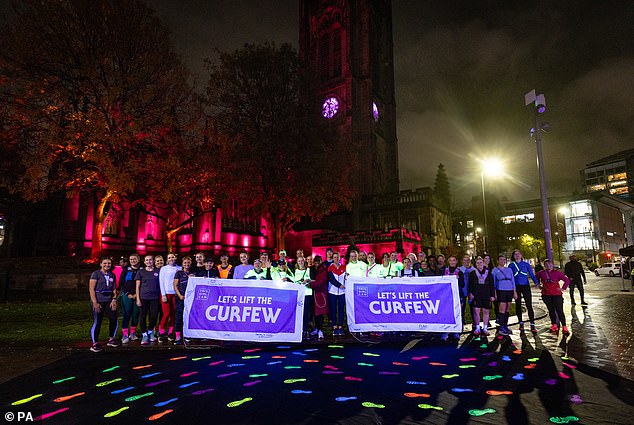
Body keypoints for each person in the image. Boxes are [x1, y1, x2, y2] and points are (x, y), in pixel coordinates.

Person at [88, 257, 119, 352]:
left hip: (109, 300)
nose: (107, 265)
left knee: (114, 319)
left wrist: (114, 299)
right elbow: (91, 289)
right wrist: (95, 302)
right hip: (98, 300)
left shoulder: (112, 275)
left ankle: (111, 339)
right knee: (98, 321)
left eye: (109, 263)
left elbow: (114, 289)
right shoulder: (96, 274)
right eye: (105, 263)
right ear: (101, 264)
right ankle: (95, 343)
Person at [536, 259, 571, 334]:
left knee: (560, 311)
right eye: (546, 264)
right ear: (544, 265)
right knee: (551, 310)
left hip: (557, 295)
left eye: (549, 264)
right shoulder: (541, 273)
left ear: (552, 265)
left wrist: (563, 288)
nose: (548, 265)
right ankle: (554, 325)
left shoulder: (557, 273)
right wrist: (538, 285)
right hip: (546, 295)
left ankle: (564, 326)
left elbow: (567, 280)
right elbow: (536, 278)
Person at [510, 249, 539, 333]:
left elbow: (532, 274)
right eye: (515, 254)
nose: (517, 255)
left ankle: (532, 324)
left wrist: (536, 283)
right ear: (514, 256)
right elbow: (510, 277)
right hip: (516, 287)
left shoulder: (526, 264)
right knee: (518, 304)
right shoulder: (511, 265)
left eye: (518, 254)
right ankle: (521, 323)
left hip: (525, 286)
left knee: (529, 304)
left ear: (521, 255)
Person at [135, 255, 161, 345]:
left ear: (153, 261)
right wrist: (138, 299)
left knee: (154, 316)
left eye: (150, 260)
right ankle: (144, 335)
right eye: (147, 260)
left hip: (155, 298)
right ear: (144, 262)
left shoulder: (158, 271)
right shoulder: (140, 272)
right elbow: (137, 286)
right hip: (143, 298)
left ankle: (150, 332)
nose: (149, 261)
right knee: (142, 316)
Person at [468, 257, 496, 337]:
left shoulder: (488, 273)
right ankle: (477, 328)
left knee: (486, 311)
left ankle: (485, 328)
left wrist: (492, 295)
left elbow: (491, 285)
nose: (479, 264)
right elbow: (470, 285)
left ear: (483, 263)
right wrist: (471, 293)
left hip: (486, 294)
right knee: (476, 312)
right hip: (476, 295)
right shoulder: (472, 273)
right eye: (478, 263)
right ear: (475, 264)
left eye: (481, 262)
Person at [158, 253, 181, 343]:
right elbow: (161, 281)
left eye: (173, 257)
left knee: (173, 314)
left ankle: (171, 332)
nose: (171, 259)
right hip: (166, 293)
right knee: (166, 313)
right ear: (167, 259)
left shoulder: (179, 268)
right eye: (169, 257)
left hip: (175, 294)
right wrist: (163, 294)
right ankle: (161, 332)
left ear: (175, 258)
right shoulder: (164, 269)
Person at [492, 254, 517, 336]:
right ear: (498, 261)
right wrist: (494, 293)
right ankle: (501, 326)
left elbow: (513, 280)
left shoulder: (509, 269)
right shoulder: (495, 270)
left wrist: (514, 292)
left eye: (504, 260)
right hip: (501, 290)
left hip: (509, 290)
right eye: (501, 260)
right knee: (502, 308)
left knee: (507, 308)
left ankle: (506, 325)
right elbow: (494, 283)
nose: (502, 261)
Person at [441, 255, 464, 340]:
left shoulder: (459, 272)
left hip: (458, 295)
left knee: (458, 313)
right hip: (447, 296)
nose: (452, 262)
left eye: (453, 260)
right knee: (447, 313)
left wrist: (458, 279)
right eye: (450, 260)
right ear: (448, 261)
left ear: (456, 261)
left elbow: (463, 284)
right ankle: (446, 332)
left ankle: (456, 331)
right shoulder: (444, 270)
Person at [119, 253, 142, 344]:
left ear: (138, 259)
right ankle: (125, 335)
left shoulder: (142, 269)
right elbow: (121, 284)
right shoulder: (126, 270)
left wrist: (137, 294)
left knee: (136, 315)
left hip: (138, 295)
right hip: (127, 295)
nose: (133, 260)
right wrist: (128, 293)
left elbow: (143, 283)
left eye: (134, 259)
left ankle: (132, 333)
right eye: (131, 259)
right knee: (127, 314)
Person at [173, 256, 194, 345]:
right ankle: (178, 335)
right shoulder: (179, 273)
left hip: (190, 299)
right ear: (182, 264)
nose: (186, 264)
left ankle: (187, 334)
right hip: (180, 298)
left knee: (189, 317)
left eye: (188, 263)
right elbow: (175, 285)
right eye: (185, 263)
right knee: (179, 316)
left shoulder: (193, 273)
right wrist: (180, 295)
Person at [309, 255, 328, 340]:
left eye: (318, 262)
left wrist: (311, 284)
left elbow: (320, 282)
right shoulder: (312, 269)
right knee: (314, 313)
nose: (317, 264)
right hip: (313, 293)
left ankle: (320, 329)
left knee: (320, 313)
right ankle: (316, 328)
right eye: (315, 262)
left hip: (320, 294)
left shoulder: (323, 270)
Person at [293, 256, 313, 339]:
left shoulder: (308, 270)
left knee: (306, 313)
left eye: (302, 261)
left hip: (307, 293)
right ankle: (300, 330)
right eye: (299, 261)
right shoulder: (295, 271)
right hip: (299, 295)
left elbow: (312, 279)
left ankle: (306, 330)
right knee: (299, 313)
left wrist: (308, 281)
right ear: (297, 262)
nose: (300, 262)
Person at [328, 252, 346, 337]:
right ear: (332, 258)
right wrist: (339, 285)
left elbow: (346, 277)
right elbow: (331, 279)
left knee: (341, 310)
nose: (336, 259)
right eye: (334, 257)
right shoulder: (330, 267)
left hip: (342, 292)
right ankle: (335, 327)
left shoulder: (344, 267)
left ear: (339, 258)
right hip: (332, 292)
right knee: (333, 310)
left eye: (337, 257)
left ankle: (341, 327)